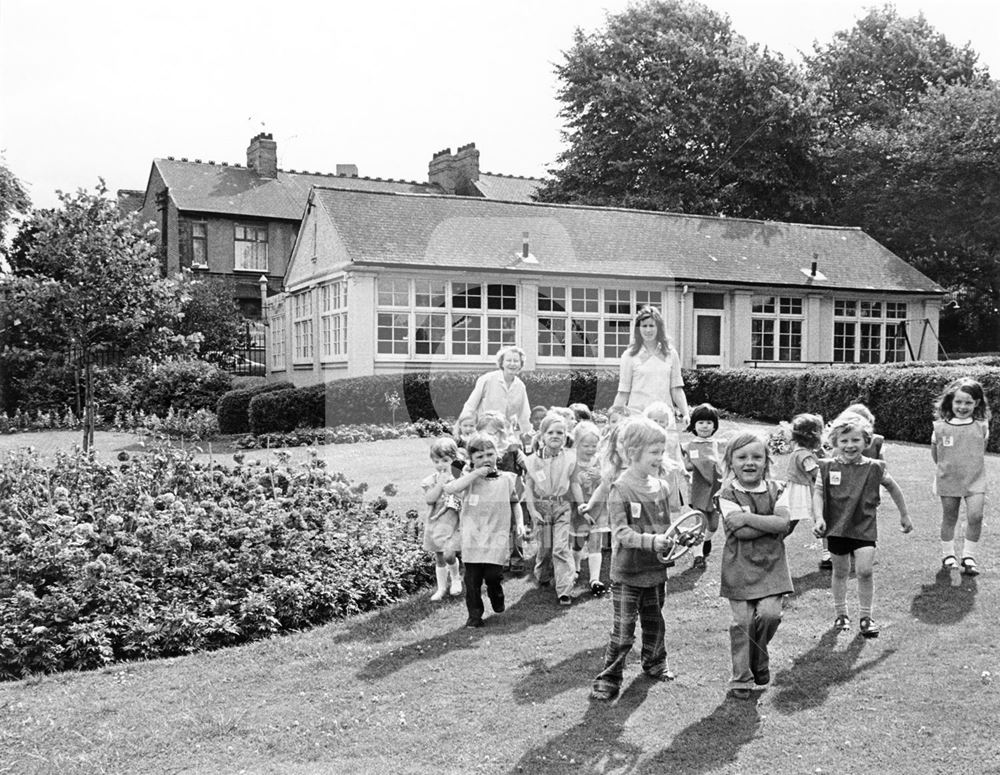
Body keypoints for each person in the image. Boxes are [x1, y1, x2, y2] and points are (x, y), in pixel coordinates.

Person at [590, 416, 682, 701]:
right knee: (624, 631)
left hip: (656, 571)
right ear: (633, 453)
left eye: (661, 451)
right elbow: (621, 534)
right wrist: (653, 541)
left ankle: (655, 663)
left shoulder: (662, 487)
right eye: (654, 451)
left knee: (655, 622)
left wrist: (678, 539)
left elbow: (667, 528)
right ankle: (609, 679)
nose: (660, 457)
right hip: (628, 574)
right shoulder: (620, 488)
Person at [814, 413, 913, 639]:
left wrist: (904, 515)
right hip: (837, 528)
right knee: (840, 571)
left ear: (866, 441)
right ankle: (841, 614)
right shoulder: (827, 467)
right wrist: (819, 517)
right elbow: (818, 493)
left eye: (855, 440)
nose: (850, 445)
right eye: (844, 441)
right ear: (835, 443)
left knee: (865, 571)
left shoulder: (875, 467)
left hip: (864, 527)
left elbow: (894, 488)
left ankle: (866, 617)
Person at [717, 432, 796, 699]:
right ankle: (741, 678)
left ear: (766, 461)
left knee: (771, 615)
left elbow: (783, 524)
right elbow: (741, 534)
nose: (749, 463)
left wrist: (748, 517)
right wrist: (769, 523)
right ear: (730, 462)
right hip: (738, 566)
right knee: (742, 622)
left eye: (756, 457)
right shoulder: (726, 494)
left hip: (772, 566)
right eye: (741, 457)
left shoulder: (779, 489)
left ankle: (759, 659)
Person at [444, 433, 525, 628]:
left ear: (497, 455)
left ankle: (496, 593)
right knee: (472, 581)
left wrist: (520, 523)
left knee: (493, 576)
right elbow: (450, 488)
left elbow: (515, 503)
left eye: (489, 454)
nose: (486, 459)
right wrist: (474, 473)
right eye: (479, 457)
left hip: (496, 536)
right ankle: (474, 616)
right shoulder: (469, 480)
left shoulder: (506, 479)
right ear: (471, 460)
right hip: (472, 538)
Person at [931, 378, 990, 576]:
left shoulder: (981, 426)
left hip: (975, 479)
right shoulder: (940, 427)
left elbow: (980, 451)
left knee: (976, 516)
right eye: (958, 402)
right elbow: (936, 455)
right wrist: (947, 469)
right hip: (949, 479)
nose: (962, 407)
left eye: (968, 402)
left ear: (977, 403)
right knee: (950, 516)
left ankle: (969, 556)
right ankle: (948, 555)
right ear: (950, 402)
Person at [524, 413, 577, 605]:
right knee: (546, 548)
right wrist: (532, 511)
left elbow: (576, 483)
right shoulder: (532, 461)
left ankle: (564, 589)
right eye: (551, 432)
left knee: (560, 548)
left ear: (565, 436)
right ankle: (543, 574)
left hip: (562, 506)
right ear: (542, 436)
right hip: (541, 507)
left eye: (560, 433)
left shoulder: (570, 458)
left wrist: (583, 507)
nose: (555, 436)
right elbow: (528, 489)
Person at [613, 306, 689, 424]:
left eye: (652, 325)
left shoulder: (670, 353)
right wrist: (613, 419)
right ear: (638, 329)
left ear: (659, 327)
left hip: (664, 419)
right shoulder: (629, 355)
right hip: (638, 419)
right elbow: (623, 392)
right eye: (644, 326)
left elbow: (676, 389)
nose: (648, 330)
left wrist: (686, 414)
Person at [420, 437, 463, 600]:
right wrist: (440, 484)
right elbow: (430, 499)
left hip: (452, 522)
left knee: (449, 554)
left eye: (445, 460)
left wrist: (452, 484)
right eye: (436, 461)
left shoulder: (459, 479)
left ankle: (456, 578)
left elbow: (462, 497)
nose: (440, 465)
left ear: (454, 459)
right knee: (439, 556)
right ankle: (442, 587)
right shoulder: (430, 481)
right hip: (436, 523)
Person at [683, 403, 725, 569]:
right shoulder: (689, 445)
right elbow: (686, 466)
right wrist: (695, 463)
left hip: (716, 489)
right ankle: (698, 555)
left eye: (709, 422)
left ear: (714, 425)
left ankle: (705, 541)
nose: (705, 426)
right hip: (699, 489)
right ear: (694, 425)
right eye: (700, 422)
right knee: (701, 523)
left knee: (713, 525)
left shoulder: (717, 444)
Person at [781, 414, 826, 568]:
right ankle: (828, 553)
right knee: (819, 518)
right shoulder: (805, 455)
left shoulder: (800, 450)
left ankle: (772, 544)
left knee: (792, 522)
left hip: (797, 490)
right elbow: (816, 473)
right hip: (802, 492)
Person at [569, 420, 606, 594]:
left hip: (597, 505)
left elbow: (604, 483)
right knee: (578, 541)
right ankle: (576, 566)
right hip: (579, 505)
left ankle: (595, 578)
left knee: (595, 540)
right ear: (577, 443)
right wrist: (581, 504)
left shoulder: (598, 460)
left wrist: (599, 476)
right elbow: (574, 484)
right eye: (586, 445)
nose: (591, 449)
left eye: (594, 445)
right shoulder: (573, 461)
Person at [461, 346, 532, 434]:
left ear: (520, 364)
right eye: (509, 360)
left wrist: (528, 434)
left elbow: (524, 415)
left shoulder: (520, 386)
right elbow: (470, 406)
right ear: (502, 363)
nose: (512, 364)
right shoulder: (487, 379)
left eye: (516, 361)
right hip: (484, 432)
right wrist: (462, 429)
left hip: (506, 435)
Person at [643, 401, 687, 509]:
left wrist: (683, 470)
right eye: (655, 420)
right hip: (651, 474)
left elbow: (677, 457)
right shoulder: (644, 439)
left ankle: (667, 523)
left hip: (667, 476)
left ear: (667, 423)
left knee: (666, 502)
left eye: (661, 421)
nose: (658, 423)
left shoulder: (671, 439)